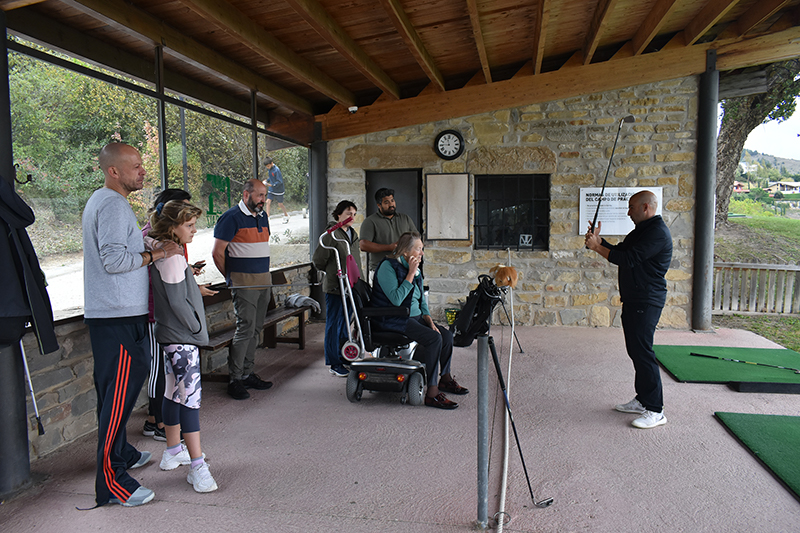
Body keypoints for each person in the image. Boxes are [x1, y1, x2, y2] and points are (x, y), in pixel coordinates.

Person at [83, 142, 182, 507]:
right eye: (136, 166)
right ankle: (111, 483)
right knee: (117, 401)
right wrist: (157, 253)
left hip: (119, 314)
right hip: (116, 315)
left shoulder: (109, 202)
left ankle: (122, 452)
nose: (142, 171)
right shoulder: (110, 204)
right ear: (114, 171)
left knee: (114, 395)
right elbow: (112, 261)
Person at [584, 190, 673, 429]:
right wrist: (600, 242)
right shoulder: (642, 231)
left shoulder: (657, 233)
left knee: (643, 353)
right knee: (635, 351)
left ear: (646, 208)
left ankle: (656, 410)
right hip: (635, 299)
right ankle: (643, 400)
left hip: (647, 300)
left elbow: (628, 259)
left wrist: (596, 248)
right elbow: (622, 250)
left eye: (632, 207)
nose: (628, 211)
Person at [145, 200, 218, 493]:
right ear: (173, 227)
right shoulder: (172, 256)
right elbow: (177, 301)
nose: (194, 230)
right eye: (189, 225)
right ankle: (197, 466)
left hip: (169, 335)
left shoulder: (163, 250)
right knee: (191, 399)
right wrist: (198, 328)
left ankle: (173, 450)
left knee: (173, 391)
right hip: (183, 338)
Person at [371, 232, 468, 409]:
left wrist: (430, 321)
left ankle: (445, 379)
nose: (422, 253)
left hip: (414, 317)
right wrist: (410, 273)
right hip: (392, 318)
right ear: (406, 252)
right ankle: (432, 393)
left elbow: (422, 301)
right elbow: (396, 300)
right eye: (419, 249)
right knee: (434, 339)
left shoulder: (415, 269)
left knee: (445, 335)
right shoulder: (388, 266)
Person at [211, 179, 274, 400]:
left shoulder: (262, 216)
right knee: (245, 328)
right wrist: (231, 278)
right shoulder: (230, 218)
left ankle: (248, 373)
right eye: (259, 196)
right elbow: (217, 253)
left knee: (256, 328)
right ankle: (235, 379)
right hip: (243, 283)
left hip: (263, 281)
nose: (262, 200)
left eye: (264, 195)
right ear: (246, 194)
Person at [312, 200, 362, 377]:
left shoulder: (352, 234)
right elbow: (318, 260)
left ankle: (344, 355)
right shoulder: (331, 235)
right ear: (339, 214)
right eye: (349, 213)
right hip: (336, 286)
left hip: (352, 286)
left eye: (354, 214)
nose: (352, 217)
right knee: (334, 324)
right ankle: (334, 362)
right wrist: (334, 272)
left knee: (345, 324)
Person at [359, 188, 418, 271]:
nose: (391, 204)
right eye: (386, 202)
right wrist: (389, 247)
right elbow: (363, 245)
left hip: (404, 268)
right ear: (379, 205)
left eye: (392, 200)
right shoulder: (370, 221)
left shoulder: (405, 218)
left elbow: (416, 239)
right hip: (380, 269)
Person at [263, 157, 289, 223]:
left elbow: (280, 181)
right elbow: (271, 177)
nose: (268, 167)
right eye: (267, 167)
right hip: (272, 189)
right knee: (268, 202)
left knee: (280, 204)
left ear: (271, 163)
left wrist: (271, 185)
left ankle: (286, 215)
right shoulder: (270, 169)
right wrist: (267, 180)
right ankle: (267, 218)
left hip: (279, 190)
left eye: (268, 166)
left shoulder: (277, 170)